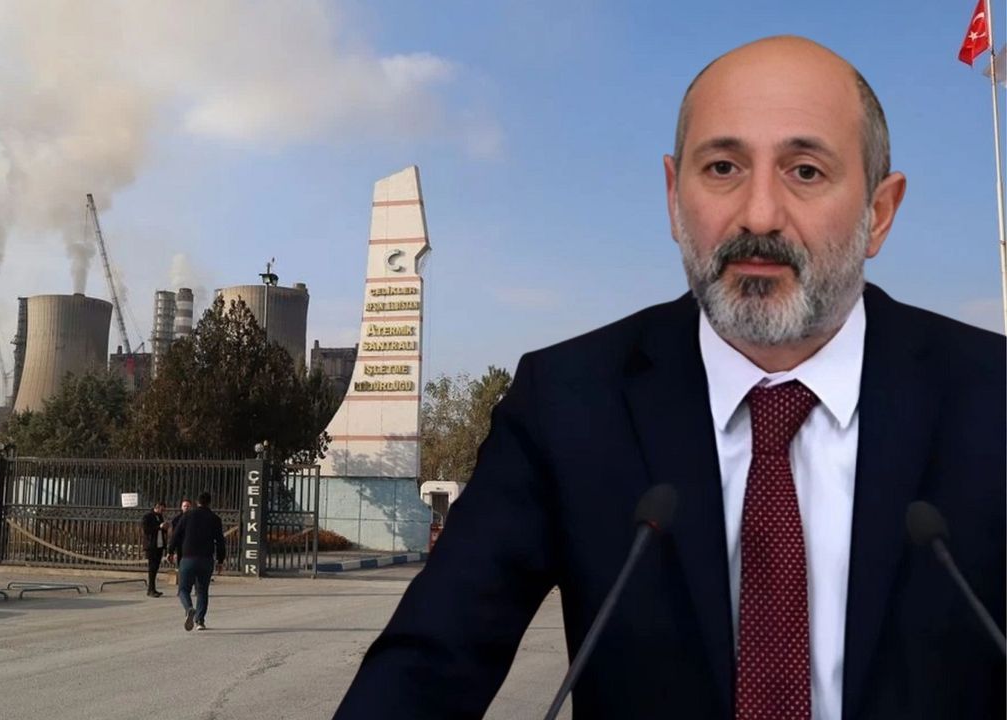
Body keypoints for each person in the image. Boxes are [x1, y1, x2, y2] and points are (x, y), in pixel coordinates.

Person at [335, 36, 1005, 720]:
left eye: (805, 171)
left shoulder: (994, 400)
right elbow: (426, 665)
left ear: (879, 213)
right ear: (672, 197)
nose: (759, 215)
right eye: (722, 168)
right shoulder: (567, 402)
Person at [167, 492, 227, 632]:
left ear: (197, 502)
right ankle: (200, 621)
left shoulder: (187, 515)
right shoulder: (215, 519)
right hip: (206, 559)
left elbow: (176, 534)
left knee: (183, 589)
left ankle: (189, 608)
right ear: (210, 502)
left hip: (188, 557)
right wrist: (220, 560)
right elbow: (220, 541)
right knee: (202, 590)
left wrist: (170, 551)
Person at [140, 501, 168, 597]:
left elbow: (161, 530)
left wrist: (164, 528)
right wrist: (159, 527)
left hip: (159, 545)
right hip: (151, 545)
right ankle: (151, 589)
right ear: (157, 507)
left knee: (156, 567)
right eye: (162, 509)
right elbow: (146, 530)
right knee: (152, 568)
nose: (163, 511)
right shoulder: (148, 516)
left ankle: (152, 588)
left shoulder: (160, 516)